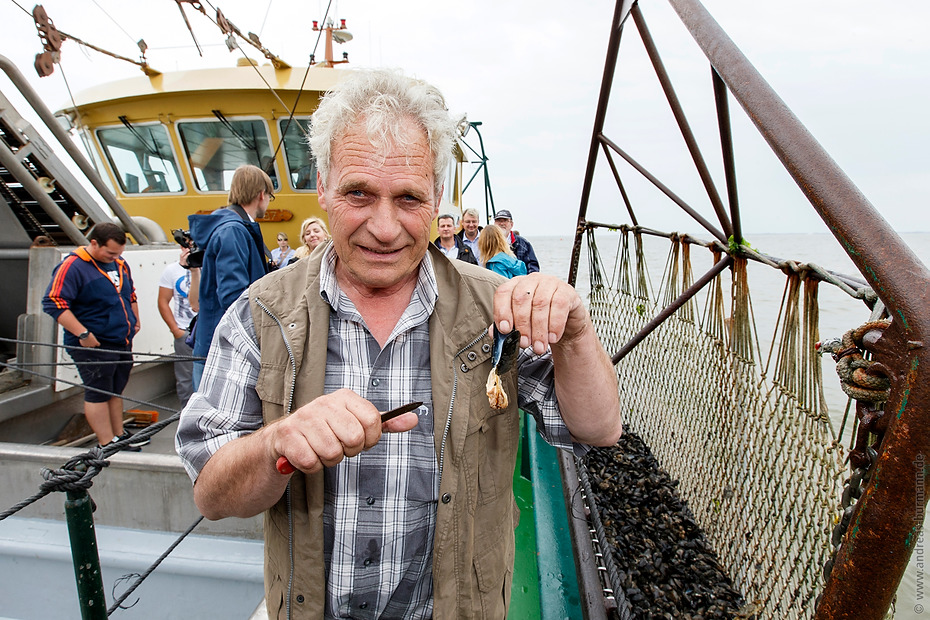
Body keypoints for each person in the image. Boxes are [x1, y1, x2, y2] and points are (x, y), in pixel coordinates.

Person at [176, 68, 621, 619]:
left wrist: (575, 330)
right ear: (322, 184)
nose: (384, 228)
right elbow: (212, 495)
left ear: (437, 197)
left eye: (409, 198)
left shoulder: (494, 309)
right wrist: (277, 444)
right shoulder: (261, 314)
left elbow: (597, 428)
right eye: (358, 192)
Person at [42, 222, 148, 449]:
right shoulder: (73, 266)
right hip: (94, 343)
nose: (115, 257)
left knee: (115, 387)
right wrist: (82, 333)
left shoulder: (119, 263)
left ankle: (119, 434)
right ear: (94, 243)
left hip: (121, 339)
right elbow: (54, 303)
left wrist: (134, 319)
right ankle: (106, 442)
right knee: (98, 390)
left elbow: (130, 294)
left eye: (119, 253)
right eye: (110, 252)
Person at [188, 164, 273, 390]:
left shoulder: (227, 227)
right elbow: (233, 296)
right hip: (223, 349)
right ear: (261, 194)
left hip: (213, 341)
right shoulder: (233, 231)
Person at [157, 247, 198, 407]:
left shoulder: (207, 266)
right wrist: (175, 330)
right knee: (185, 379)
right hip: (184, 331)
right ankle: (186, 417)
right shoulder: (171, 270)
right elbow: (163, 301)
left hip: (205, 331)